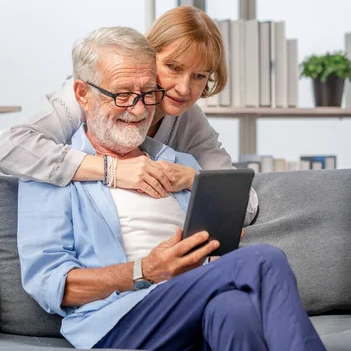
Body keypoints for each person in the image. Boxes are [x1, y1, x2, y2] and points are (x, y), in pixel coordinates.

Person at [18, 26, 326, 351]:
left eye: (149, 94)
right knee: (264, 259)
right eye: (123, 95)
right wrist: (145, 270)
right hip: (119, 320)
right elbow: (51, 285)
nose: (138, 110)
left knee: (235, 311)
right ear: (83, 94)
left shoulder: (181, 163)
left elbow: (222, 238)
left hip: (189, 303)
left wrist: (216, 251)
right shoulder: (52, 170)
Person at [0, 5, 258, 224]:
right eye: (173, 68)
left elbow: (244, 201)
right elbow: (9, 148)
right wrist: (112, 170)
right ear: (149, 57)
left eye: (200, 76)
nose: (183, 88)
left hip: (49, 196)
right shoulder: (88, 93)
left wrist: (191, 178)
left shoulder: (189, 121)